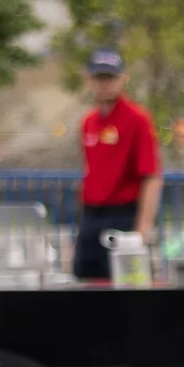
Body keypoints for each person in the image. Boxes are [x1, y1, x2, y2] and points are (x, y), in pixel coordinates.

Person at [73, 49, 162, 284]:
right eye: (99, 78)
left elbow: (151, 176)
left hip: (123, 214)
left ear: (123, 78)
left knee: (127, 283)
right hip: (92, 215)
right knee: (85, 280)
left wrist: (142, 228)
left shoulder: (137, 120)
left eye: (110, 77)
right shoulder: (89, 123)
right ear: (89, 79)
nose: (104, 84)